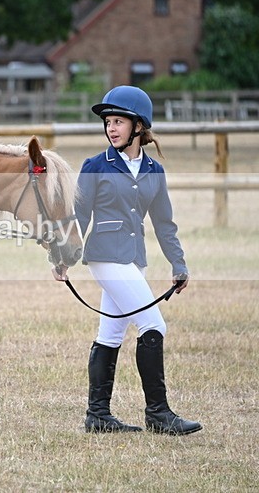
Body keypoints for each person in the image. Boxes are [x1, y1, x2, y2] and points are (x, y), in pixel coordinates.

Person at [69, 85, 202, 435]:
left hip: (134, 259)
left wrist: (179, 263)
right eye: (108, 122)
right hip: (104, 256)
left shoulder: (154, 171)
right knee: (153, 326)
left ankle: (98, 415)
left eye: (118, 121)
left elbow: (164, 223)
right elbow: (79, 216)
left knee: (111, 333)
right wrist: (62, 257)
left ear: (138, 126)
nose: (111, 128)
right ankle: (158, 414)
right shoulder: (95, 166)